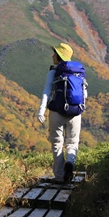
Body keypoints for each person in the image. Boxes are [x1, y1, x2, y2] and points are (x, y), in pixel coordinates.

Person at [37, 42, 87, 183]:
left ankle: (59, 176)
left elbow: (47, 91)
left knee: (57, 143)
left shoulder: (54, 72)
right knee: (73, 142)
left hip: (56, 112)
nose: (52, 55)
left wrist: (41, 110)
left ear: (59, 56)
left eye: (55, 53)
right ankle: (70, 162)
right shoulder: (78, 72)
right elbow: (84, 93)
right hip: (75, 112)